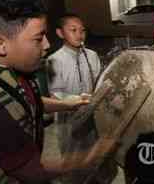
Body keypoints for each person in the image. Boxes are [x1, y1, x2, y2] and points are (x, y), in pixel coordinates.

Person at [0, 0, 116, 183]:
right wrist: (91, 155)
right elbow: (32, 170)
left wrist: (69, 103)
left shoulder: (13, 70)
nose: (47, 45)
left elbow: (29, 103)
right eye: (38, 38)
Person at [47, 14, 116, 183]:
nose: (79, 34)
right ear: (60, 33)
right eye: (73, 30)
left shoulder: (92, 55)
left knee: (97, 155)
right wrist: (78, 99)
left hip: (93, 115)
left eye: (82, 30)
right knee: (74, 158)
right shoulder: (53, 60)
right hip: (68, 118)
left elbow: (99, 81)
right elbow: (55, 94)